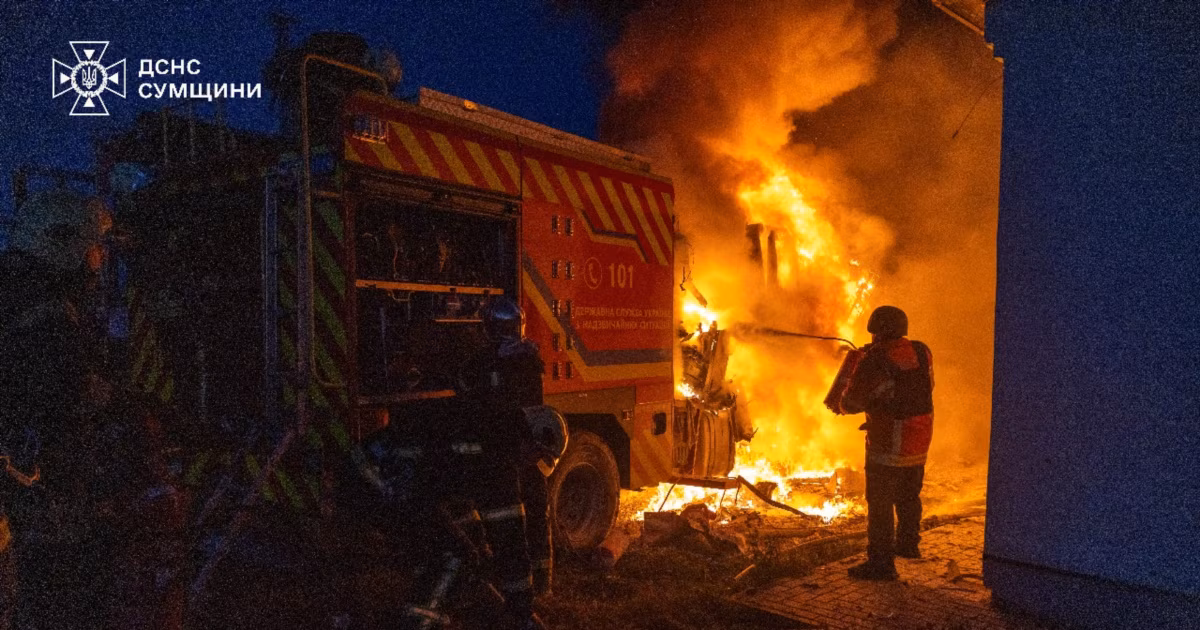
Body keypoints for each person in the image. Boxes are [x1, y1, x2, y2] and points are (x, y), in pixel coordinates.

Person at [838, 305, 934, 581]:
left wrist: (844, 404)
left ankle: (881, 564)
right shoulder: (921, 350)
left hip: (889, 442)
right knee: (909, 494)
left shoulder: (875, 360)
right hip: (920, 435)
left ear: (877, 332)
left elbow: (851, 402)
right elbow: (913, 388)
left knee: (879, 503)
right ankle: (908, 545)